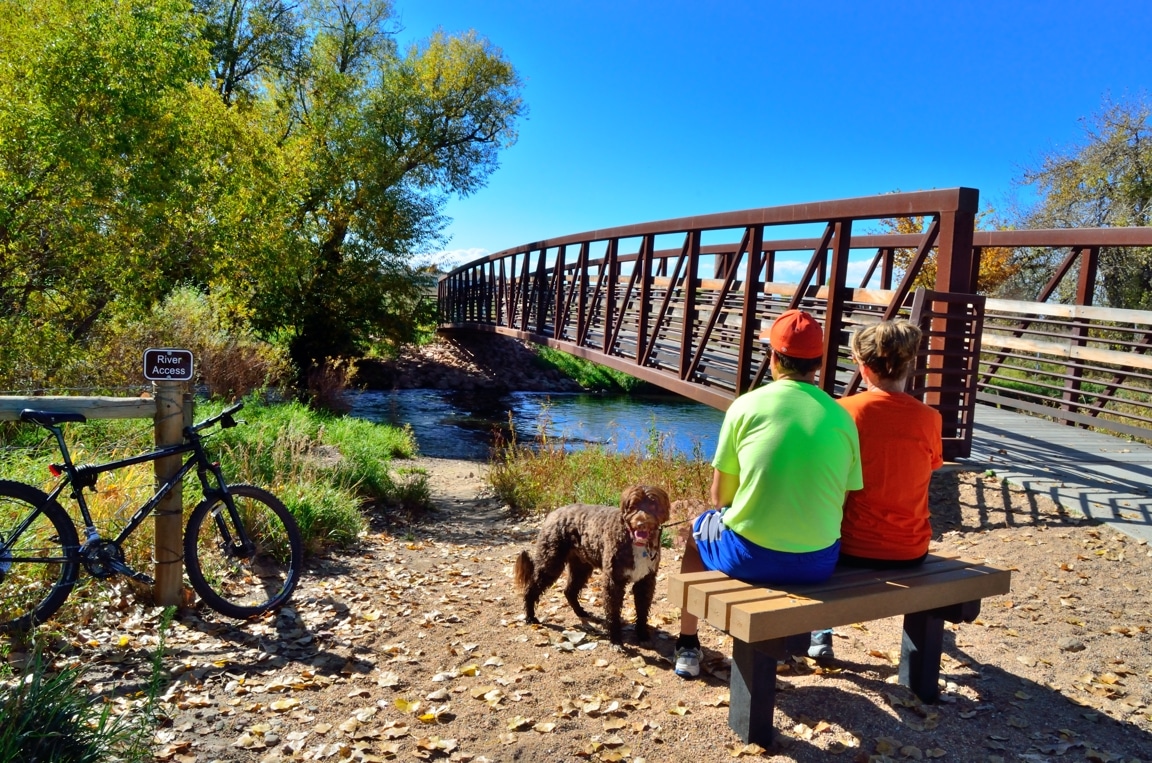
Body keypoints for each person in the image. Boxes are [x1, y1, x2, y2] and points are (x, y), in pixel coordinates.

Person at [673, 310, 862, 679]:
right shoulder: (842, 418)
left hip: (750, 558)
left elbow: (719, 498)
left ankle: (687, 645)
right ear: (818, 364)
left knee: (696, 533)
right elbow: (843, 497)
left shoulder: (745, 406)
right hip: (819, 563)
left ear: (774, 358)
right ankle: (814, 635)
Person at [808, 319, 944, 660]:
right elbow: (928, 467)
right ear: (909, 365)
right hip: (911, 551)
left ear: (864, 367)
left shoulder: (844, 411)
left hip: (851, 549)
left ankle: (819, 631)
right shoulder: (929, 418)